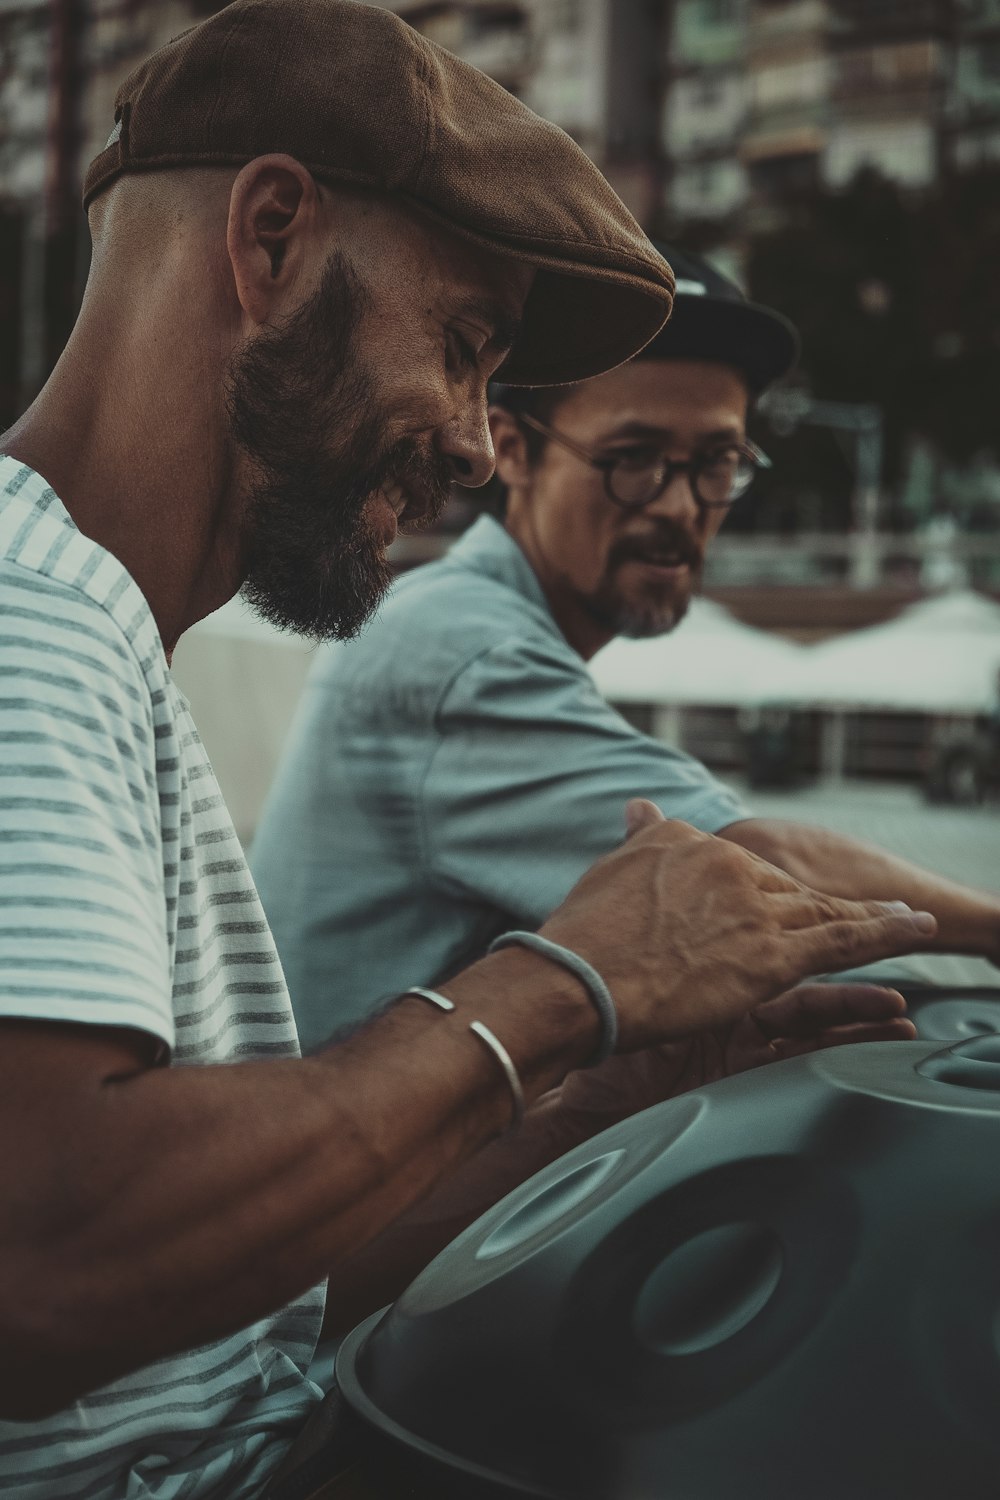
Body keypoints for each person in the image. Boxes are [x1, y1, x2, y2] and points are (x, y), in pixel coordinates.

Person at [0, 6, 939, 1496]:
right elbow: (43, 1263)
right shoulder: (28, 616)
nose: (469, 441)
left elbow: (222, 1316)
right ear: (271, 242)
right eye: (463, 346)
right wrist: (557, 983)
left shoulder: (101, 639)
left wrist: (594, 1095)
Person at [252, 244, 1000, 1054]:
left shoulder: (465, 622)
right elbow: (749, 870)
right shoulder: (461, 650)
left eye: (717, 463)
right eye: (633, 460)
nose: (681, 507)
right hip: (351, 1164)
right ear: (515, 450)